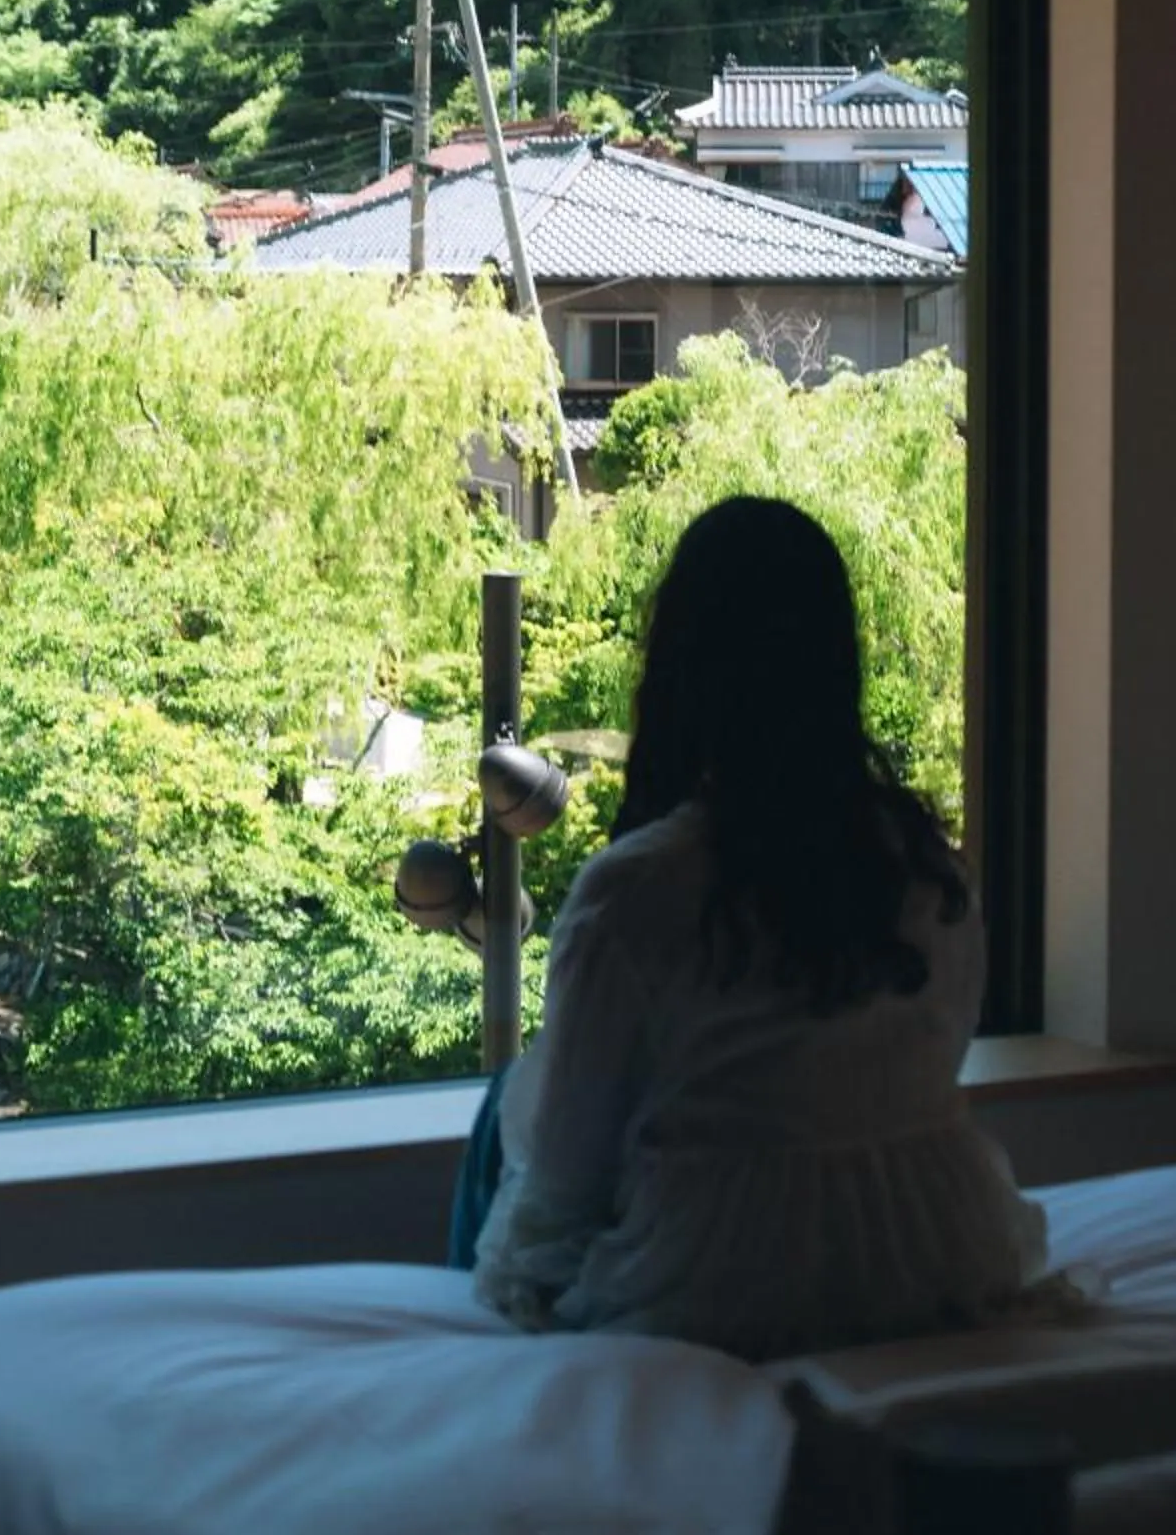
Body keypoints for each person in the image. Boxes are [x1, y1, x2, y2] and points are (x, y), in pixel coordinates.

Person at [455, 495, 1079, 1360]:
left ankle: (474, 1361)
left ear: (681, 667)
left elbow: (568, 1177)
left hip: (711, 1282)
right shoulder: (930, 870)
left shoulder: (636, 892)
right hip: (933, 1255)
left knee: (505, 1111)